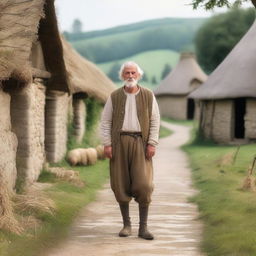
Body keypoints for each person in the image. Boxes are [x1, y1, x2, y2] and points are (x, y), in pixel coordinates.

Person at [100, 61, 160, 240]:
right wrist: (107, 143)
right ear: (122, 76)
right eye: (127, 73)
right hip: (119, 142)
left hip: (141, 143)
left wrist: (152, 143)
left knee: (144, 184)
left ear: (139, 75)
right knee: (120, 184)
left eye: (133, 72)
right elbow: (106, 122)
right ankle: (126, 225)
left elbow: (155, 120)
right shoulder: (115, 96)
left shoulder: (149, 96)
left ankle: (143, 228)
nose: (130, 76)